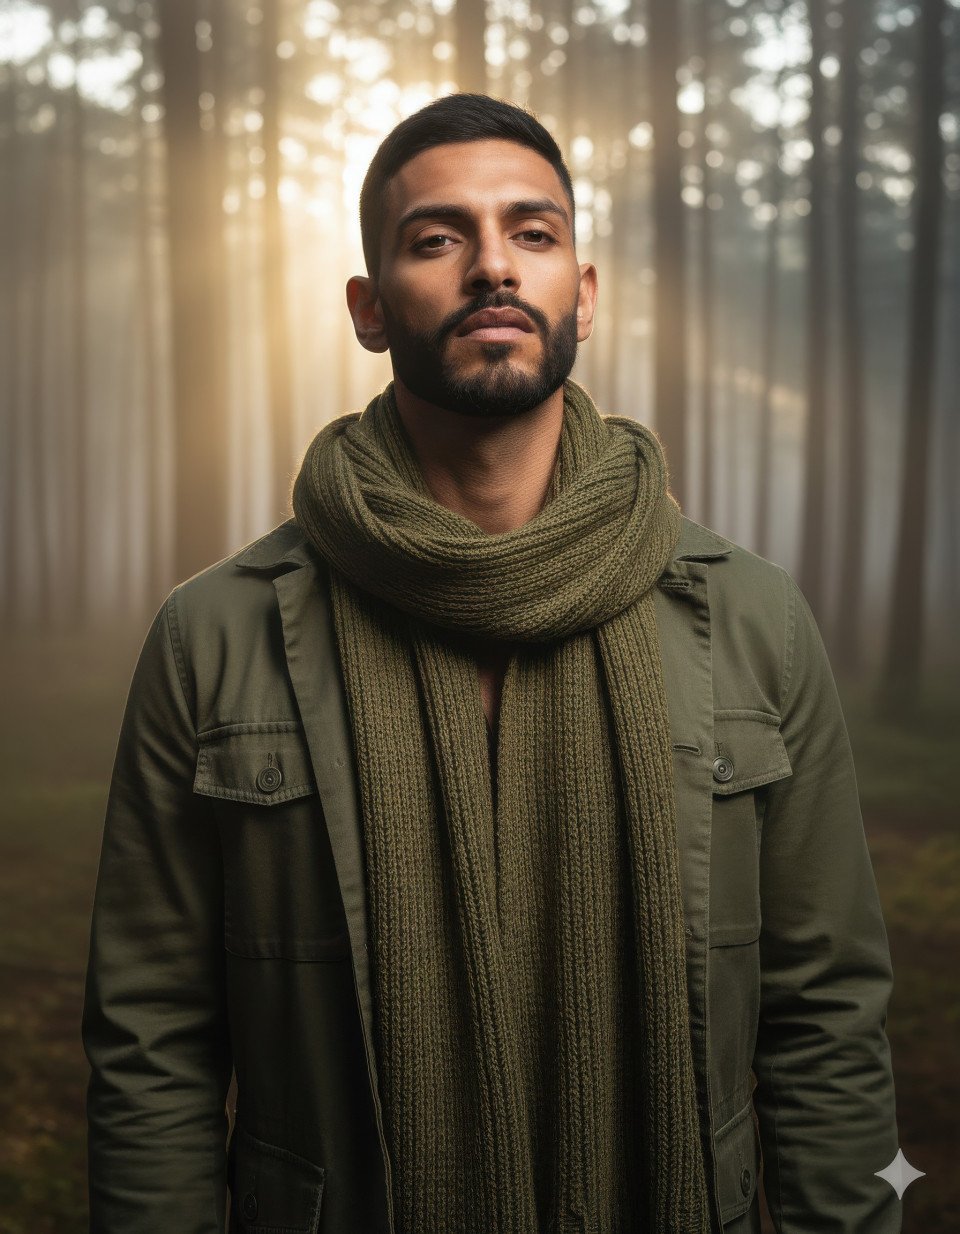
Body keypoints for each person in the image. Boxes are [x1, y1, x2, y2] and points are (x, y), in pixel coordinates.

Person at [82, 93, 901, 1234]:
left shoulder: (754, 618)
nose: (493, 267)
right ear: (370, 309)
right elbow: (153, 1038)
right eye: (437, 238)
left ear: (584, 293)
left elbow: (829, 1021)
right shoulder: (214, 635)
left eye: (532, 232)